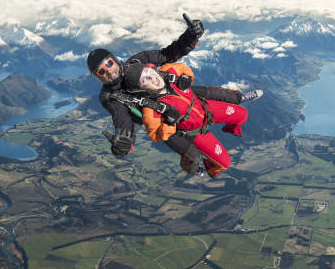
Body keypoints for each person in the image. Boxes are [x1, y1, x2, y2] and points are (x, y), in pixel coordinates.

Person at [86, 15, 261, 164]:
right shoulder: (112, 97)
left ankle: (238, 98)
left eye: (109, 63)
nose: (109, 70)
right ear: (98, 77)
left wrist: (191, 36)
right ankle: (198, 166)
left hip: (173, 93)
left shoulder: (138, 60)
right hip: (162, 119)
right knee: (191, 154)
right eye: (102, 71)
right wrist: (123, 143)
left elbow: (169, 53)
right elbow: (122, 120)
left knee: (214, 94)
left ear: (114, 59)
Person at [121, 62, 248, 177]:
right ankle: (209, 168)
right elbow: (156, 135)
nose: (152, 77)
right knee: (224, 163)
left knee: (243, 114)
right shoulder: (151, 109)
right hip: (195, 132)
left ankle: (232, 129)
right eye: (144, 80)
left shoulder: (168, 73)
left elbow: (182, 67)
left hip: (206, 109)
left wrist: (186, 77)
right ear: (141, 89)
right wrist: (169, 123)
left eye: (148, 71)